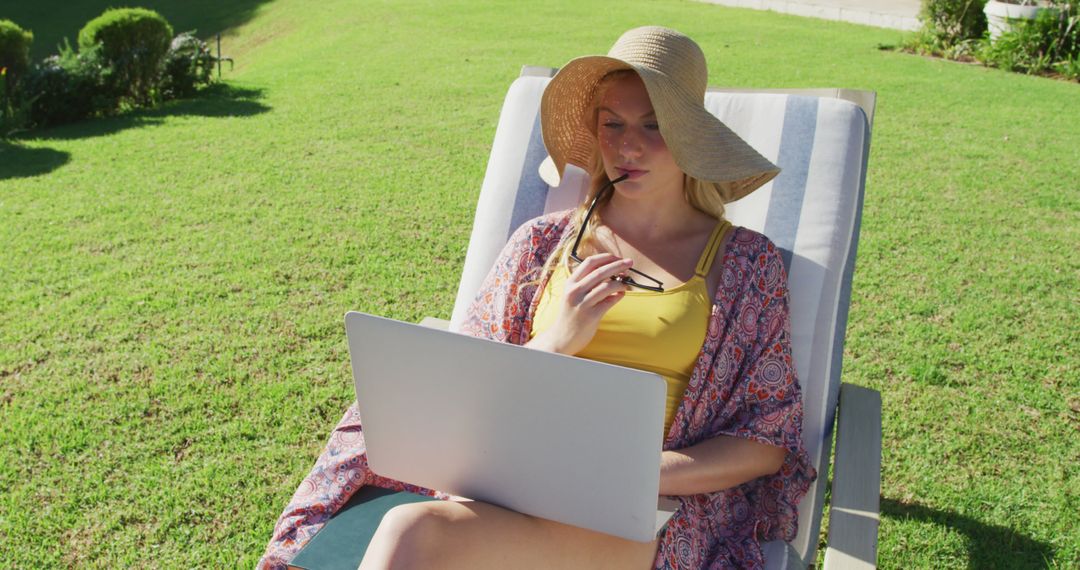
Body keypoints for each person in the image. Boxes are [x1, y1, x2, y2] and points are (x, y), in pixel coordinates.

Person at [259, 26, 814, 569]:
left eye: (654, 124)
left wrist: (629, 473)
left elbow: (766, 439)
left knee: (413, 531)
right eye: (612, 123)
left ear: (690, 137)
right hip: (512, 485)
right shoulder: (540, 246)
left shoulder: (745, 265)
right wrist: (555, 340)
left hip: (650, 507)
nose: (628, 145)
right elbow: (464, 394)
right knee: (412, 530)